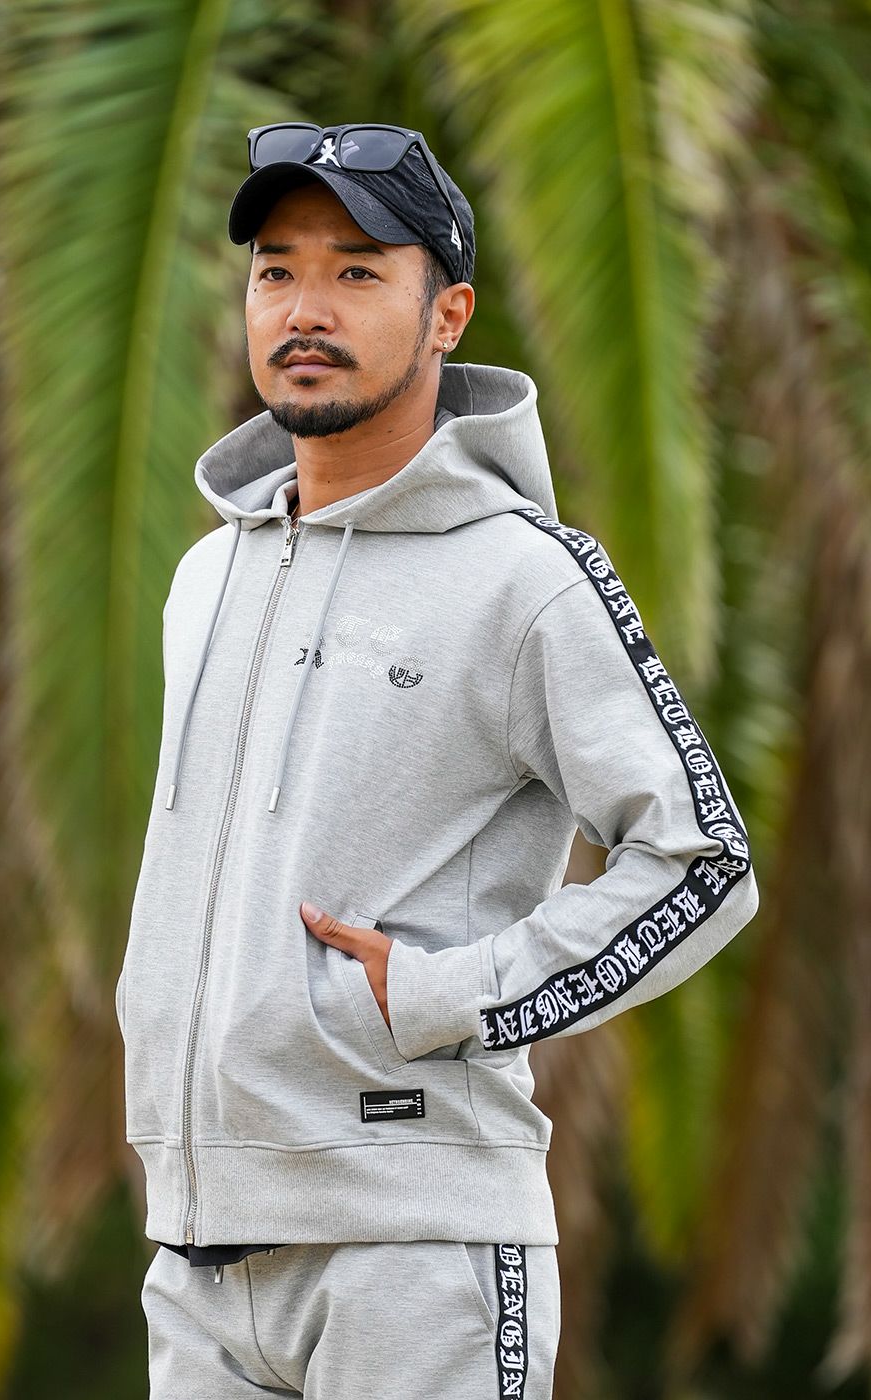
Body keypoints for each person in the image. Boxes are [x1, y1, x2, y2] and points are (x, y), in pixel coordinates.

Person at [117, 120, 760, 1398]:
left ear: (447, 313)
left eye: (357, 271)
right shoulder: (206, 575)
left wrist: (451, 994)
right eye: (276, 270)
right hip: (195, 1257)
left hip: (417, 1249)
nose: (305, 309)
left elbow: (703, 863)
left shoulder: (525, 576)